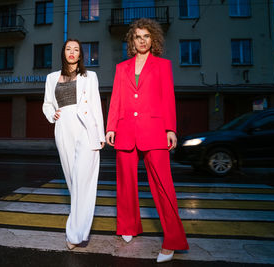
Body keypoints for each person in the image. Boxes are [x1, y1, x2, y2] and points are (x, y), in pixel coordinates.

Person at [105, 19, 189, 263]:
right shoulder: (122, 68)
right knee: (125, 184)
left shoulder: (163, 66)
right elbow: (117, 98)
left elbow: (167, 98)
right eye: (137, 36)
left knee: (164, 187)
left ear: (154, 40)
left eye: (146, 36)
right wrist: (111, 127)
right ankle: (129, 226)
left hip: (154, 130)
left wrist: (170, 129)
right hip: (125, 130)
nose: (142, 40)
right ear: (131, 41)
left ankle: (173, 241)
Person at [42, 38, 105, 250]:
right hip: (63, 129)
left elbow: (96, 104)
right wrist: (52, 114)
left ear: (80, 54)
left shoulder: (90, 76)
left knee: (83, 181)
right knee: (72, 180)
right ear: (63, 52)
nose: (72, 52)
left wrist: (101, 135)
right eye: (68, 48)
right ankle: (78, 227)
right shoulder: (51, 78)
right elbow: (47, 103)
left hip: (86, 129)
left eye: (76, 49)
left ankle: (75, 234)